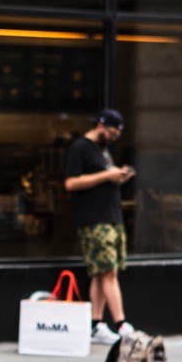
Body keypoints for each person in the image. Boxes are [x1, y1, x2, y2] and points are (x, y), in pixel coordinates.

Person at [64, 108, 136, 345]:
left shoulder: (103, 150)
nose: (114, 138)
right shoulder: (80, 148)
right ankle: (121, 323)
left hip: (110, 216)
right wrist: (107, 176)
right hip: (94, 219)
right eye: (113, 132)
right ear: (101, 126)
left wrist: (118, 176)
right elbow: (71, 183)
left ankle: (97, 324)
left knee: (100, 272)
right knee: (108, 271)